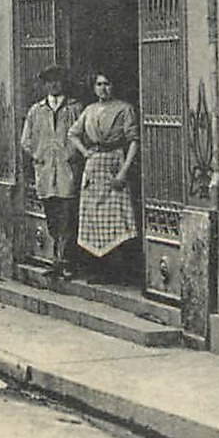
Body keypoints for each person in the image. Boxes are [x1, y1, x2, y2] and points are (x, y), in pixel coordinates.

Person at [69, 70, 140, 281]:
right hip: (94, 166)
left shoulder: (124, 109)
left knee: (117, 217)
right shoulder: (89, 110)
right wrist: (85, 151)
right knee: (93, 218)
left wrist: (123, 172)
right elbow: (73, 133)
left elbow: (133, 141)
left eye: (107, 84)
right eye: (99, 84)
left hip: (114, 162)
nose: (103, 88)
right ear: (94, 88)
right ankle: (97, 268)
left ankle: (117, 270)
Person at [20, 65, 84, 277]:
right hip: (46, 171)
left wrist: (73, 154)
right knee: (52, 215)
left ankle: (64, 261)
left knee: (67, 214)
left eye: (58, 80)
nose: (54, 84)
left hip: (67, 170)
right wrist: (38, 155)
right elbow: (26, 141)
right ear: (45, 85)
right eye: (50, 81)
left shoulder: (75, 108)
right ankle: (56, 257)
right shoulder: (36, 110)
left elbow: (84, 134)